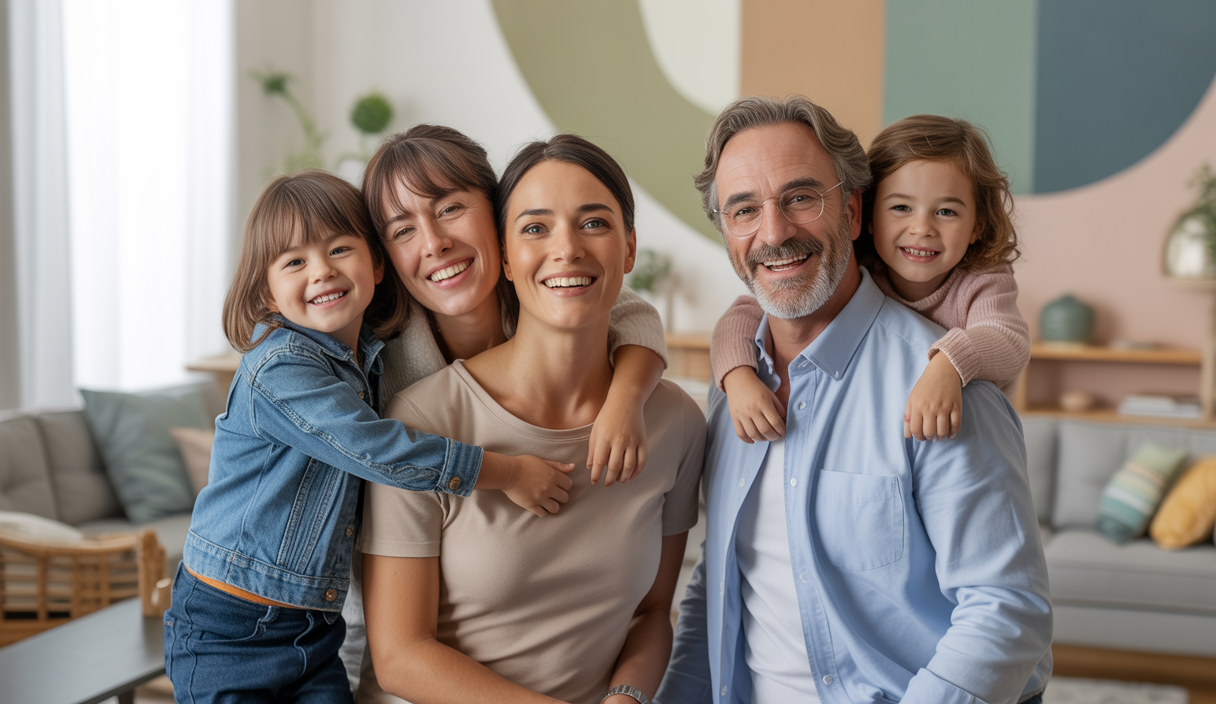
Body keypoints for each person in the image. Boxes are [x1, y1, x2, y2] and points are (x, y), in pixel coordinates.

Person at [657, 96, 1051, 704]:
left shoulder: (946, 386)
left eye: (801, 198)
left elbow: (1006, 613)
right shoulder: (735, 381)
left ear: (852, 209)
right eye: (745, 210)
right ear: (727, 230)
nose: (774, 233)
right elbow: (724, 581)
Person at [165, 171, 576, 703]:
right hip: (230, 623)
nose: (322, 271)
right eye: (294, 262)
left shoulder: (375, 356)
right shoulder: (279, 367)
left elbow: (623, 313)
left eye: (339, 249)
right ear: (267, 291)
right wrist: (507, 471)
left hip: (314, 628)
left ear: (378, 265)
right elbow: (377, 448)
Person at [356, 135, 705, 704]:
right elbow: (399, 657)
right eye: (537, 227)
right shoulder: (411, 412)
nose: (566, 248)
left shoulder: (674, 422)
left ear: (630, 248)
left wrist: (626, 697)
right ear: (510, 251)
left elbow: (652, 612)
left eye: (594, 223)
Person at [711, 114, 1030, 445]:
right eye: (901, 207)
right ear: (868, 215)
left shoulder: (982, 279)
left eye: (946, 212)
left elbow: (1008, 339)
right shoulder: (864, 265)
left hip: (964, 418)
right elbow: (742, 315)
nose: (922, 229)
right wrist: (738, 377)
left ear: (978, 225)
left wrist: (946, 366)